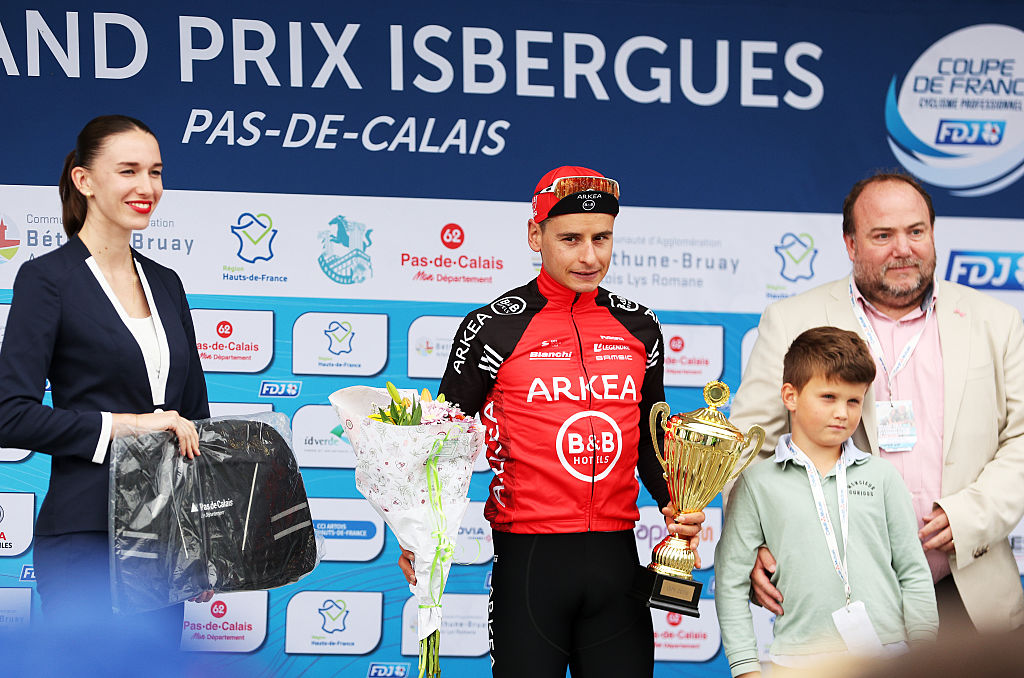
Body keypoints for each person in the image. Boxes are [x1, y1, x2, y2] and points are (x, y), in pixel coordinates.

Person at [397, 166, 704, 677]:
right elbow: (445, 443)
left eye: (602, 238)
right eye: (571, 239)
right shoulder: (494, 325)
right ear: (537, 237)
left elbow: (651, 439)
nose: (590, 256)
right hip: (531, 560)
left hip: (616, 558)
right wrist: (419, 531)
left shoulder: (638, 325)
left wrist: (677, 502)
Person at [729, 171, 1024, 632]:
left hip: (967, 588)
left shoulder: (998, 323)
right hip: (836, 588)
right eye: (882, 235)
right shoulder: (791, 320)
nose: (903, 249)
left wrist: (972, 515)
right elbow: (749, 444)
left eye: (916, 231)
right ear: (850, 244)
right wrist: (748, 542)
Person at [0, 115, 212, 637]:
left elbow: (195, 418)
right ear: (85, 181)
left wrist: (206, 538)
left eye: (156, 172)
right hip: (86, 536)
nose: (147, 187)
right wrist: (122, 425)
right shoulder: (46, 279)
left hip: (167, 542)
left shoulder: (167, 283)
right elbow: (10, 415)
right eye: (129, 171)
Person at [716, 327, 938, 676]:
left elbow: (913, 573)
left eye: (854, 401)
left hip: (891, 659)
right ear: (790, 396)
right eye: (829, 397)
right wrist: (746, 668)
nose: (843, 413)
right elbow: (730, 582)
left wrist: (925, 658)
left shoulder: (882, 477)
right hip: (796, 662)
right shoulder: (756, 483)